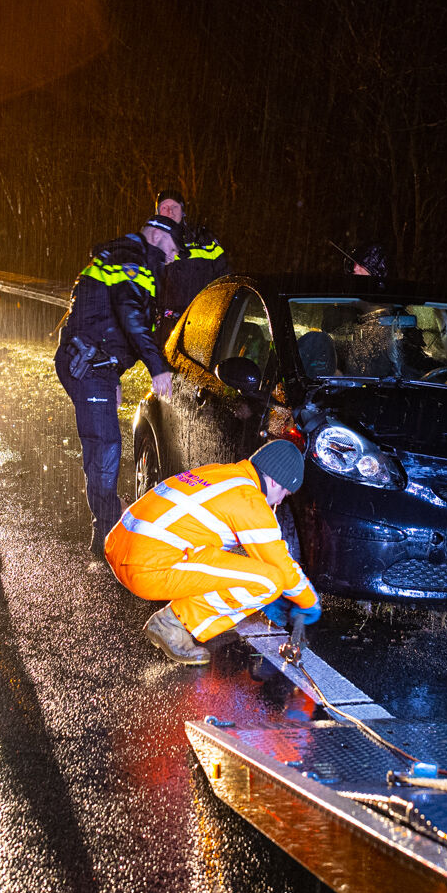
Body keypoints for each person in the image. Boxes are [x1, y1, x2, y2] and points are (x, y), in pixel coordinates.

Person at [105, 440, 320, 665]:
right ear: (275, 481)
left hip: (118, 548)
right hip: (144, 568)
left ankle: (206, 615)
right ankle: (171, 623)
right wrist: (308, 601)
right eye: (286, 492)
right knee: (271, 581)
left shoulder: (221, 473)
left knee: (241, 566)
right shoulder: (250, 500)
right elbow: (280, 565)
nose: (282, 499)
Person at [56, 218, 178, 556]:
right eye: (171, 249)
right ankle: (108, 531)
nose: (172, 258)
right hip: (89, 364)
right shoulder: (131, 261)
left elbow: (103, 319)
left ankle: (106, 522)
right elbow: (129, 314)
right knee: (105, 447)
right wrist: (157, 367)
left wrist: (115, 374)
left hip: (93, 363)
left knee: (101, 447)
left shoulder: (123, 256)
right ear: (157, 236)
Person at [154, 190, 228, 322]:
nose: (170, 212)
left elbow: (225, 278)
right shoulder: (148, 245)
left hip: (202, 321)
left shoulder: (204, 241)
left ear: (183, 211)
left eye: (175, 207)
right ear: (158, 212)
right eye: (164, 207)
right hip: (165, 325)